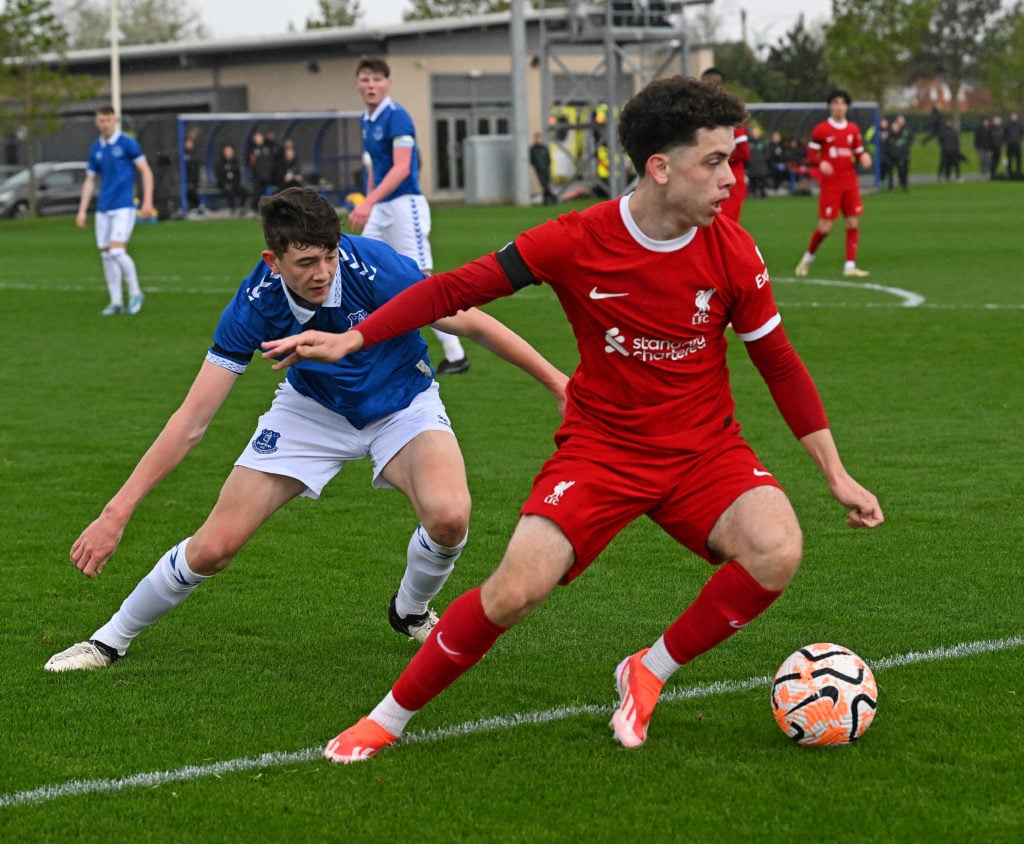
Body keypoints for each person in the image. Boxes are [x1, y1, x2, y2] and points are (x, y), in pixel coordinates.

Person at [261, 76, 885, 763]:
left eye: (732, 161)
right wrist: (354, 336)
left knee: (777, 548)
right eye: (714, 162)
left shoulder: (733, 251)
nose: (729, 179)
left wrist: (835, 473)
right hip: (603, 451)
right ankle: (387, 716)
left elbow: (781, 364)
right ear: (660, 167)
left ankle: (648, 669)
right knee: (513, 592)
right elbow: (452, 288)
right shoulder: (576, 239)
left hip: (704, 452)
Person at [44, 186, 568, 673]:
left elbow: (469, 321)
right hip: (311, 412)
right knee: (214, 546)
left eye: (329, 255)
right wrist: (117, 512)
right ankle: (108, 640)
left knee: (450, 517)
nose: (323, 271)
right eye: (306, 262)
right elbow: (191, 420)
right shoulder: (254, 305)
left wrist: (557, 384)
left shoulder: (375, 265)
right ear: (273, 261)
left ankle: (410, 611)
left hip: (402, 402)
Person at [350, 55, 470, 376]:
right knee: (357, 269)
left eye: (376, 79)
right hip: (382, 207)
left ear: (388, 83)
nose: (370, 85)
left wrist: (367, 201)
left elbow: (402, 168)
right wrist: (371, 202)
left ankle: (455, 353)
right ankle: (363, 347)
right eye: (365, 79)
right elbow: (376, 165)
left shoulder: (397, 116)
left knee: (420, 282)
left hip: (406, 206)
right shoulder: (368, 118)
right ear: (357, 84)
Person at [76, 105, 154, 316]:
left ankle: (136, 292)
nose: (105, 124)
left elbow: (145, 171)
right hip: (103, 208)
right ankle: (116, 300)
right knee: (106, 255)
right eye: (101, 120)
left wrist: (147, 201)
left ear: (115, 120)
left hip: (124, 206)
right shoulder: (96, 148)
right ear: (97, 122)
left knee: (117, 251)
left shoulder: (127, 143)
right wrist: (82, 210)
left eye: (109, 120)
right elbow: (90, 180)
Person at [794, 89, 872, 279]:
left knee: (853, 222)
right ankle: (807, 258)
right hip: (831, 183)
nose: (839, 107)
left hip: (849, 180)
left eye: (842, 103)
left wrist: (864, 156)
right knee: (825, 227)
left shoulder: (853, 129)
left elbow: (858, 150)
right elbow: (811, 155)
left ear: (847, 106)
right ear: (830, 106)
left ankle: (850, 266)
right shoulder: (821, 129)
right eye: (835, 103)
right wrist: (821, 162)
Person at [700, 67, 748, 223]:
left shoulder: (730, 117)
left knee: (725, 227)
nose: (711, 89)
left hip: (729, 183)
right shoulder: (697, 116)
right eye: (707, 85)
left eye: (715, 85)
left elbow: (744, 153)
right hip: (704, 181)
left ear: (722, 87)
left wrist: (715, 155)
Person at [247, 131, 275, 212]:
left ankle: (262, 208)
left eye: (260, 138)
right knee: (257, 192)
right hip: (257, 176)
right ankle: (255, 208)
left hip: (266, 176)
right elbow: (251, 163)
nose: (259, 140)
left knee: (264, 192)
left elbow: (271, 160)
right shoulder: (252, 149)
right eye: (257, 138)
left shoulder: (266, 148)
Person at [215, 144, 246, 214]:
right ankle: (232, 209)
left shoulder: (235, 161)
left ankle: (241, 208)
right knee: (230, 192)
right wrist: (225, 183)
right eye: (227, 153)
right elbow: (219, 175)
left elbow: (238, 174)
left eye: (230, 152)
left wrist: (235, 183)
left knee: (245, 192)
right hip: (224, 184)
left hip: (234, 183)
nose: (228, 154)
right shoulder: (220, 163)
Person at [885, 115, 912, 191]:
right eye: (894, 127)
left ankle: (904, 185)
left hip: (900, 156)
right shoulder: (889, 136)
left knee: (902, 171)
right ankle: (890, 187)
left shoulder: (904, 134)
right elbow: (886, 146)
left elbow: (907, 142)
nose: (895, 128)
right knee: (890, 173)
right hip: (890, 157)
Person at [529, 132, 557, 205]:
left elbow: (548, 158)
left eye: (538, 138)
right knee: (544, 184)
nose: (537, 140)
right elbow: (531, 159)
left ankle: (546, 201)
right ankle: (552, 197)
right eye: (535, 138)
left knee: (546, 185)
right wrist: (535, 165)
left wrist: (548, 166)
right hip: (539, 169)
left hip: (546, 168)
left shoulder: (544, 148)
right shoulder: (532, 149)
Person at [182, 133, 201, 215]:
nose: (188, 144)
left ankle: (197, 207)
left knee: (192, 190)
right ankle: (189, 208)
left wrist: (195, 179)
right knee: (188, 190)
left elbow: (195, 168)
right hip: (184, 179)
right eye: (187, 142)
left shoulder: (195, 154)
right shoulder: (181, 154)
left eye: (190, 143)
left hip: (193, 179)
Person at [1005, 112, 1022, 179]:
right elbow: (1005, 134)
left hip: (1017, 144)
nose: (1013, 118)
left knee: (1018, 159)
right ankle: (1009, 172)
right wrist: (1008, 140)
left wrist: (1018, 140)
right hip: (1010, 145)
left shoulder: (1019, 125)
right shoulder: (1008, 125)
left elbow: (1021, 134)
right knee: (1009, 159)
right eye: (1012, 116)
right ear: (1010, 117)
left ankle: (1018, 172)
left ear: (1016, 117)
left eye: (1014, 116)